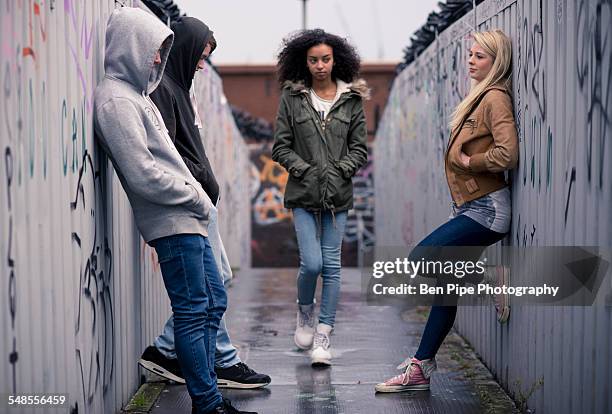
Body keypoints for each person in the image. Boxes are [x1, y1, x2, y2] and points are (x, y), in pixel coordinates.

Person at [93, 8, 253, 414]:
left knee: (212, 301)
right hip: (172, 221)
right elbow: (143, 174)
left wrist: (196, 200)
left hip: (188, 219)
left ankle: (209, 395)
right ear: (132, 45)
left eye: (163, 51)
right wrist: (195, 196)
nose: (159, 59)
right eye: (153, 50)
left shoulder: (138, 98)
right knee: (192, 310)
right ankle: (207, 402)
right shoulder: (115, 102)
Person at [375, 29, 518, 393]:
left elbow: (508, 153)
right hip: (469, 208)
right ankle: (420, 368)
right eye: (470, 54)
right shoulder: (477, 97)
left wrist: (472, 160)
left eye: (480, 56)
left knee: (422, 259)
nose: (472, 60)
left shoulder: (495, 98)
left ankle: (487, 280)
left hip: (487, 210)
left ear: (496, 61)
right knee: (445, 287)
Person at [137, 16, 270, 391]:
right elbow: (167, 153)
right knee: (207, 294)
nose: (201, 64)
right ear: (184, 49)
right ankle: (216, 360)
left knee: (214, 288)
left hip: (198, 205)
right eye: (200, 56)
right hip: (187, 205)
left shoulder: (181, 89)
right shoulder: (163, 92)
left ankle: (173, 351)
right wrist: (198, 185)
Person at [272, 29, 368, 366]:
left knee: (332, 266)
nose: (320, 66)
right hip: (302, 194)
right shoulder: (293, 97)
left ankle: (324, 335)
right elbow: (280, 146)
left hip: (338, 197)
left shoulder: (352, 100)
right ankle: (305, 313)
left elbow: (360, 150)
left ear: (336, 59)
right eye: (313, 60)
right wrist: (303, 169)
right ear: (305, 62)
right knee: (311, 264)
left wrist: (341, 169)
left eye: (325, 59)